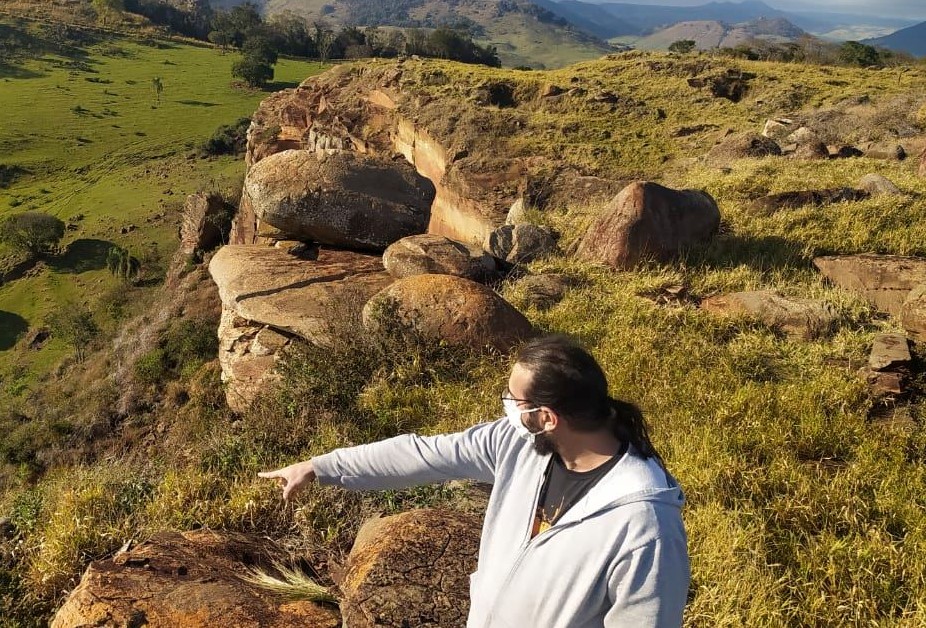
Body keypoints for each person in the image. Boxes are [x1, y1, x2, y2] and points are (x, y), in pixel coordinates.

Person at [259, 334, 689, 627]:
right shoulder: (519, 444)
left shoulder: (644, 528)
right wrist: (322, 466)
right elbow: (425, 453)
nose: (504, 405)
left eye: (512, 398)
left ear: (546, 418)